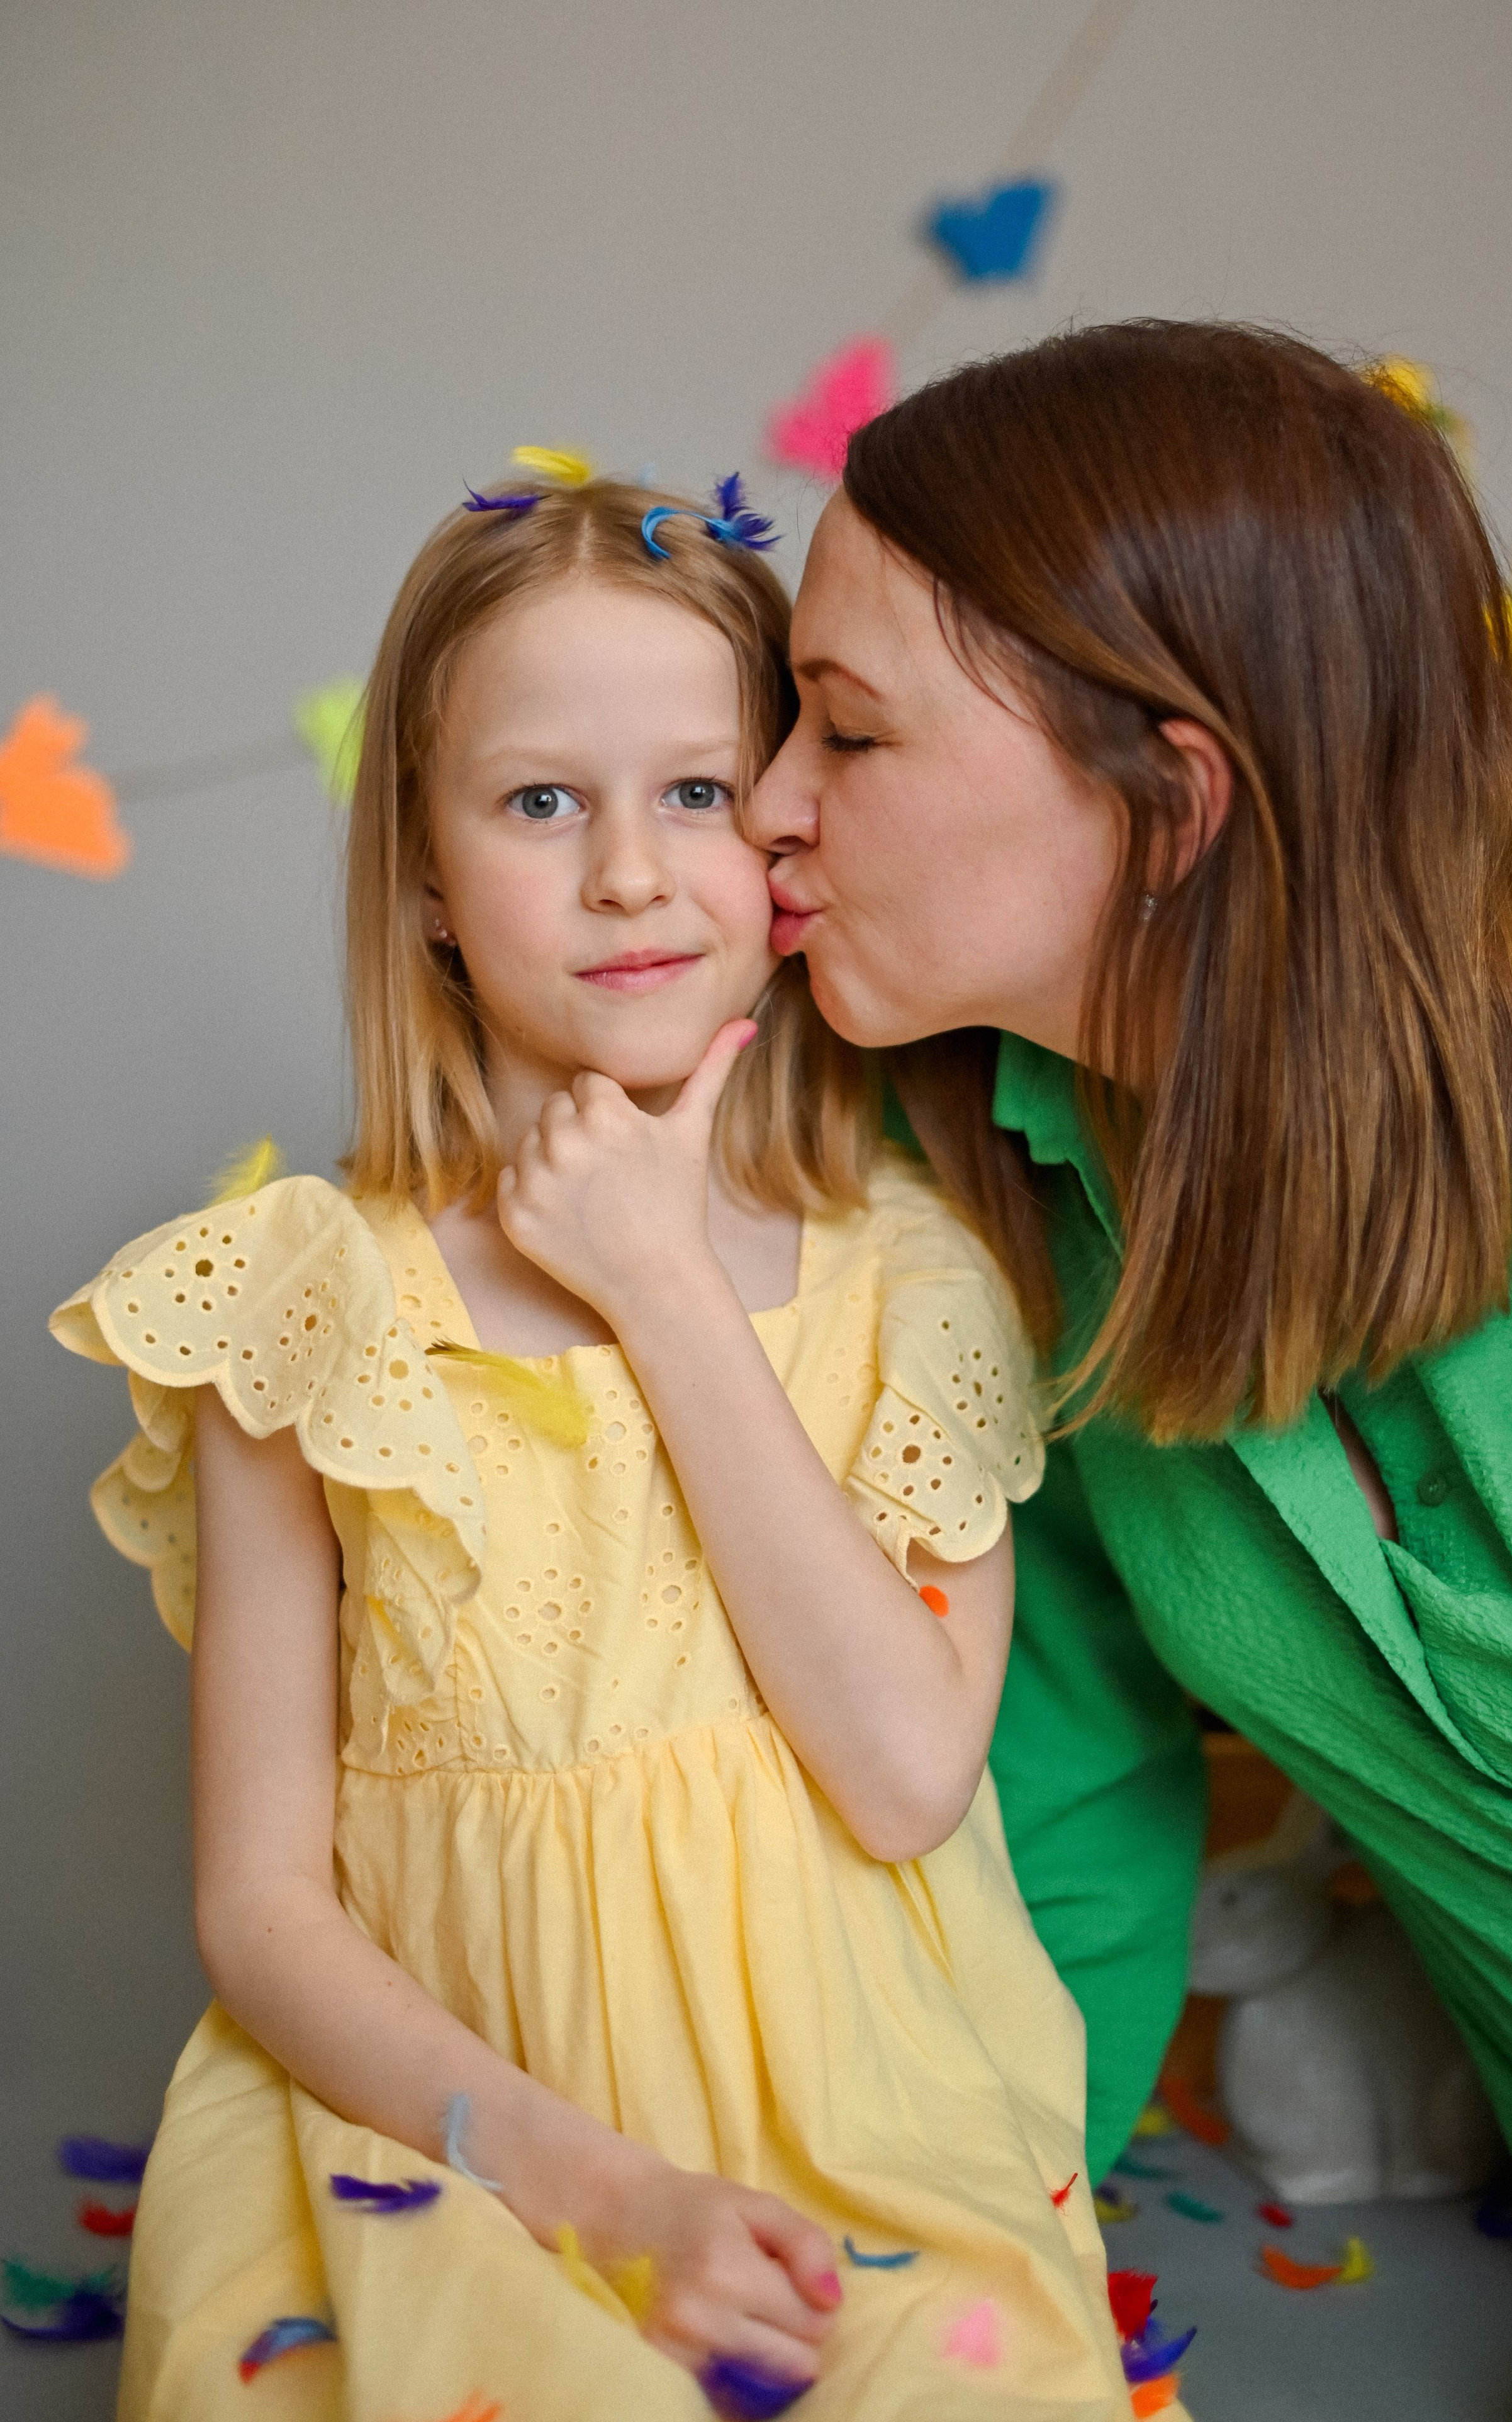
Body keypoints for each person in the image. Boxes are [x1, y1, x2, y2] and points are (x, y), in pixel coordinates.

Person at [53, 468, 1140, 2421]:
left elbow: (901, 1776)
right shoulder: (302, 1311)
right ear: (426, 881)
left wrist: (663, 1286)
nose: (631, 873)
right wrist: (603, 2194)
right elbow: (263, 1907)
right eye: (542, 801)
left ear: (790, 839)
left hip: (854, 2130)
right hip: (443, 2132)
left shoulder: (920, 1282)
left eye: (700, 792)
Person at [750, 319, 1512, 2419]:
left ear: (1172, 799)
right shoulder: (977, 1187)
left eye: (845, 739)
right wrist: (959, 2259)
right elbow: (1053, 1819)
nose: (766, 807)